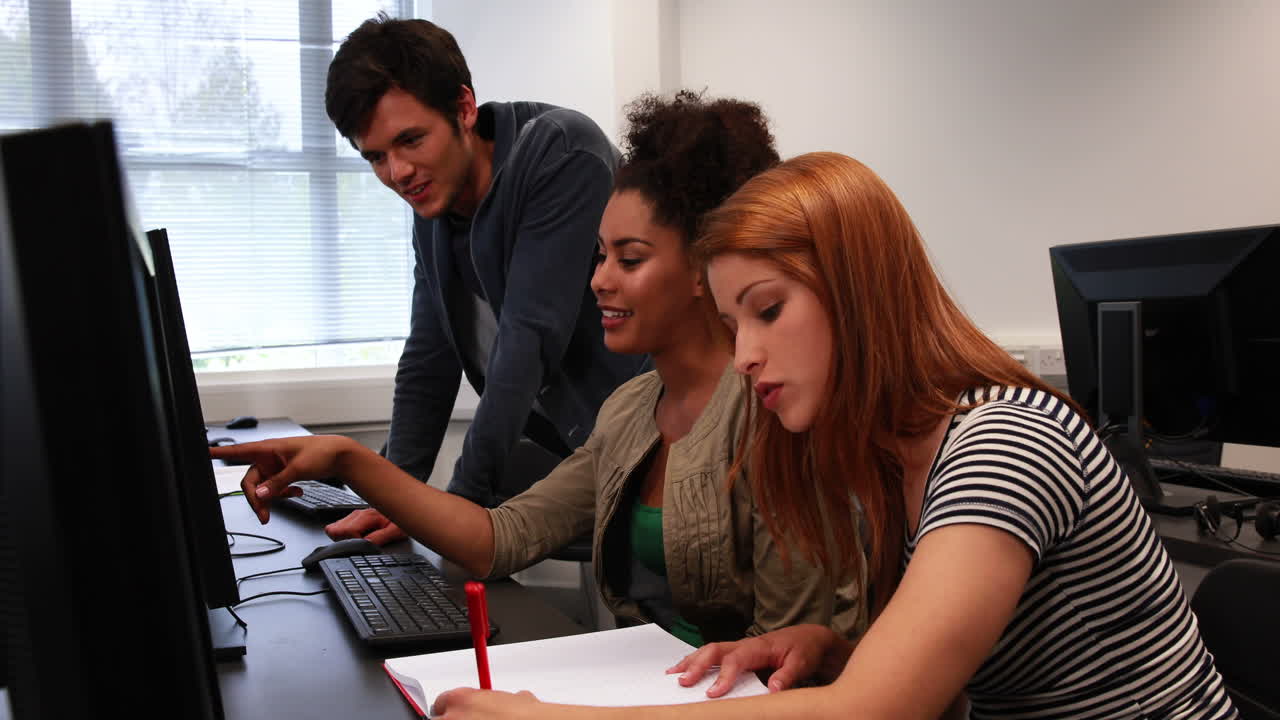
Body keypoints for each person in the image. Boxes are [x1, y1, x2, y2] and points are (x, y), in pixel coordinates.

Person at [428, 152, 1240, 719]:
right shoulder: (886, 457)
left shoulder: (1006, 442)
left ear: (858, 293)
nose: (744, 355)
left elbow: (877, 712)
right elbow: (940, 682)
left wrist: (556, 718)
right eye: (732, 324)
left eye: (768, 310)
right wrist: (829, 648)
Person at [214, 94, 866, 648]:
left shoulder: (772, 416)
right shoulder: (633, 411)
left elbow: (788, 670)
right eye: (599, 256)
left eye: (629, 260)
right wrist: (350, 461)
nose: (599, 281)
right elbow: (500, 538)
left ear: (704, 268)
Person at [321, 15, 646, 544]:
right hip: (575, 448)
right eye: (376, 157)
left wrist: (454, 506)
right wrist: (394, 494)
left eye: (411, 140)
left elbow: (528, 340)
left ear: (464, 108)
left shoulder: (562, 153)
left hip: (656, 443)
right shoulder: (434, 201)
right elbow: (429, 358)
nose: (398, 173)